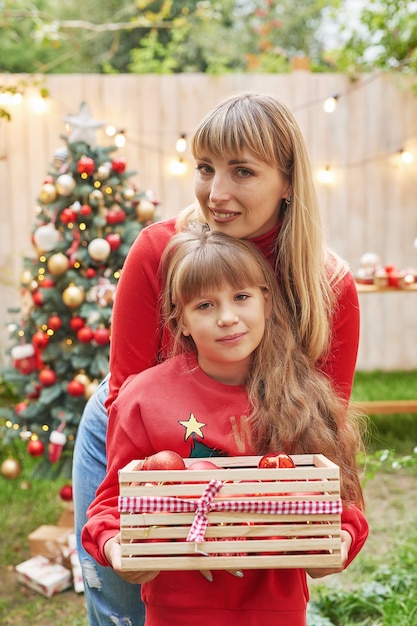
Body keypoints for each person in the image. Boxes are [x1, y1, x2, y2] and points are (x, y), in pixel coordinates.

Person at [73, 91, 363, 625]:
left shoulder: (329, 285)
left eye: (243, 171)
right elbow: (129, 397)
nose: (217, 192)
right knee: (122, 604)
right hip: (137, 438)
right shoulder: (158, 251)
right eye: (206, 169)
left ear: (290, 181)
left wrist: (241, 525)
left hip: (250, 442)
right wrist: (175, 526)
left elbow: (324, 432)